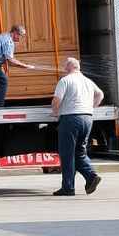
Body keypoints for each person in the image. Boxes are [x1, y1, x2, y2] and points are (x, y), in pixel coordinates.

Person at [51, 57, 104, 196]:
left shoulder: (65, 80)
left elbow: (57, 100)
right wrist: (91, 107)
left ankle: (68, 187)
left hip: (70, 119)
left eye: (65, 66)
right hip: (87, 118)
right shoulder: (88, 81)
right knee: (79, 151)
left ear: (69, 67)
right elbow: (100, 94)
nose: (63, 68)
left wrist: (55, 113)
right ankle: (91, 176)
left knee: (67, 154)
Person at [0, 24, 35, 108]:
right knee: (2, 81)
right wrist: (26, 66)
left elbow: (8, 60)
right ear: (15, 32)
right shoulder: (8, 41)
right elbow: (11, 60)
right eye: (20, 35)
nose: (21, 39)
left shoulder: (4, 37)